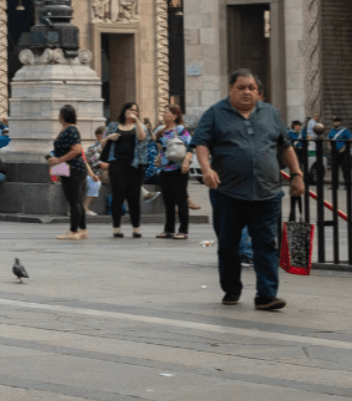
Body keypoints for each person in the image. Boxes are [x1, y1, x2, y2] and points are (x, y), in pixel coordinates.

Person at [193, 69, 305, 312]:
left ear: (258, 91)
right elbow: (201, 143)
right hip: (228, 193)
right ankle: (232, 288)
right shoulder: (215, 114)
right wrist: (206, 169)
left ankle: (266, 295)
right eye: (241, 87)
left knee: (266, 243)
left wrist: (296, 174)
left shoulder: (271, 113)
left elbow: (285, 146)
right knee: (229, 244)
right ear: (231, 89)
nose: (247, 92)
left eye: (251, 88)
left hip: (267, 192)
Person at [102, 102, 150, 239]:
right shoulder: (113, 126)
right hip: (117, 164)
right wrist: (109, 137)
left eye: (136, 110)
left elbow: (142, 137)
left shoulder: (139, 126)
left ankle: (136, 228)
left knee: (134, 197)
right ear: (124, 111)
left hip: (135, 165)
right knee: (118, 196)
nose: (133, 112)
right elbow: (102, 143)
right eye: (131, 110)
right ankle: (116, 228)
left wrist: (138, 121)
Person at [47, 105, 88, 240]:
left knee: (73, 200)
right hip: (70, 168)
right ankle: (82, 230)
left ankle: (73, 231)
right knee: (77, 200)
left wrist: (59, 160)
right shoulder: (69, 129)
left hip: (73, 168)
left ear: (63, 116)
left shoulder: (70, 129)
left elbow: (76, 150)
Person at [155, 105, 194, 239]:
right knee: (168, 200)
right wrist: (158, 157)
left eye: (166, 112)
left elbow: (190, 145)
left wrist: (186, 161)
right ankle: (169, 229)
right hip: (165, 169)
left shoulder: (181, 129)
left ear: (174, 116)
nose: (164, 115)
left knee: (181, 199)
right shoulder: (161, 131)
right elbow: (163, 148)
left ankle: (183, 230)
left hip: (179, 169)